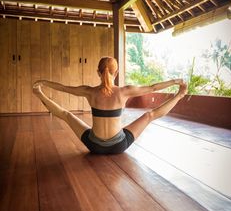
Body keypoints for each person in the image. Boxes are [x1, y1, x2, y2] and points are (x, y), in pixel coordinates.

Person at [33, 56, 187, 154]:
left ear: (98, 72)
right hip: (119, 146)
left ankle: (39, 94)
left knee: (67, 115)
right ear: (116, 72)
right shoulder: (124, 92)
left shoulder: (89, 92)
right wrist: (176, 82)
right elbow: (153, 87)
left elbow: (64, 88)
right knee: (149, 115)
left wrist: (43, 83)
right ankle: (180, 96)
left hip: (94, 146)